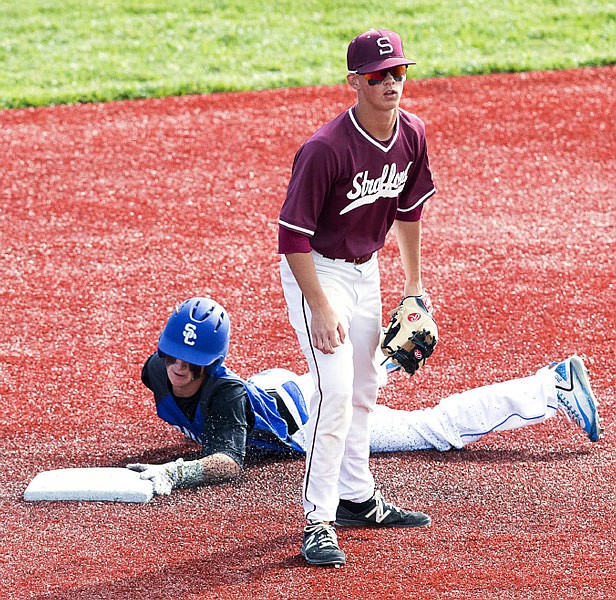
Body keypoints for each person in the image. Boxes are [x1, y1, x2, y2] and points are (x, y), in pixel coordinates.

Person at [128, 297, 602, 562]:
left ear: (212, 363)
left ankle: (550, 385)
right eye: (172, 356)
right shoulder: (157, 369)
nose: (178, 368)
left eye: (192, 362)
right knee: (351, 382)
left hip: (305, 415)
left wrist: (175, 473)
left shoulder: (223, 394)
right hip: (278, 391)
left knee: (428, 429)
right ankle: (397, 349)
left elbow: (229, 463)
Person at [276, 28, 438, 566]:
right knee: (335, 393)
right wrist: (320, 307)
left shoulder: (412, 134)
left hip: (365, 272)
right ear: (355, 82)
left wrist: (413, 287)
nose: (391, 82)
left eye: (398, 73)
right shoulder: (325, 150)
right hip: (316, 274)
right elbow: (292, 237)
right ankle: (318, 519)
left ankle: (357, 498)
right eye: (378, 76)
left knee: (367, 386)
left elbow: (409, 211)